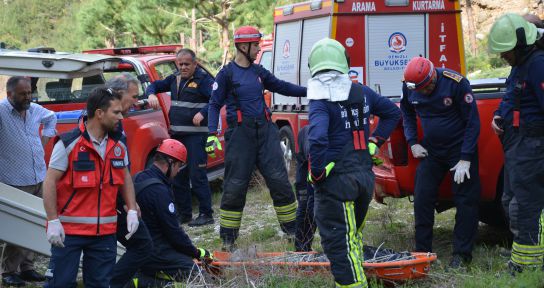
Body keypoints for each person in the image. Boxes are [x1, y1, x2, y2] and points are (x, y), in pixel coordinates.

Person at [307, 38, 400, 287]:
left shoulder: (320, 100)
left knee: (339, 246)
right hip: (363, 179)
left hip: (337, 184)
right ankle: (358, 275)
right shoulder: (362, 92)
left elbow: (316, 137)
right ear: (343, 64)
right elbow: (393, 112)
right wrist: (374, 141)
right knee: (352, 237)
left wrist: (316, 172)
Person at [208, 26, 307, 251]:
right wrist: (211, 134)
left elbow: (282, 86)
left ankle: (293, 232)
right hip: (240, 136)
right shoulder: (226, 74)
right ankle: (228, 240)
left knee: (280, 182)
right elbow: (213, 105)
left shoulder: (259, 72)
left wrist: (309, 90)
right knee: (235, 186)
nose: (258, 49)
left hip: (265, 133)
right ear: (243, 46)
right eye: (256, 45)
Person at [43, 87, 139, 287]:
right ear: (99, 113)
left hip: (104, 235)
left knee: (100, 284)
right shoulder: (68, 143)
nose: (121, 117)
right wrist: (52, 220)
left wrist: (131, 208)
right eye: (116, 112)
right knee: (61, 284)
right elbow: (50, 181)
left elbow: (125, 177)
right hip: (68, 233)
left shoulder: (119, 145)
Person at [400, 56, 481, 268]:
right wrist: (412, 142)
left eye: (426, 89)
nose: (423, 93)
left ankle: (462, 255)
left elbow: (473, 122)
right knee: (422, 198)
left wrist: (465, 158)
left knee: (466, 201)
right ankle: (422, 254)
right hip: (432, 151)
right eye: (419, 90)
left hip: (460, 149)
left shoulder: (455, 82)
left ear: (433, 78)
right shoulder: (410, 86)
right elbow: (407, 111)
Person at [488, 13, 544, 273]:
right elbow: (511, 97)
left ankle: (527, 265)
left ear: (521, 45)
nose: (503, 57)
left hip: (532, 146)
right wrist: (499, 115)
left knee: (525, 205)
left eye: (506, 51)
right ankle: (522, 250)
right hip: (517, 145)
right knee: (510, 200)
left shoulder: (537, 65)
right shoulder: (519, 65)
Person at [129, 139, 213, 287]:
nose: (178, 171)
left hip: (137, 248)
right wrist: (196, 253)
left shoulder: (139, 177)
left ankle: (141, 277)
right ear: (170, 163)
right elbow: (174, 233)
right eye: (179, 166)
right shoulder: (160, 192)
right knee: (198, 276)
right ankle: (145, 283)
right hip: (156, 251)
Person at [146, 48, 215, 227]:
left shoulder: (204, 80)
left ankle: (206, 214)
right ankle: (184, 215)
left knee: (197, 175)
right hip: (177, 136)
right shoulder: (174, 78)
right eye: (180, 64)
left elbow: (216, 100)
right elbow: (153, 85)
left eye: (187, 64)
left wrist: (203, 112)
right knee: (178, 176)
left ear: (195, 63)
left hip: (196, 137)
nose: (183, 67)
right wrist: (151, 94)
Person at [0, 76, 55, 287]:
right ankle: (8, 271)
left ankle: (28, 267)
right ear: (9, 94)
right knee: (18, 227)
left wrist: (45, 139)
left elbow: (51, 118)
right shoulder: (2, 112)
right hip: (14, 179)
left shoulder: (34, 109)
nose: (28, 97)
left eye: (30, 92)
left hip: (38, 175)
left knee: (38, 222)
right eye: (23, 94)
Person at [106, 74, 154, 288]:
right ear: (118, 94)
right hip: (109, 199)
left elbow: (122, 167)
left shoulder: (117, 122)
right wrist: (127, 202)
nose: (136, 102)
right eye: (133, 97)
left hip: (117, 197)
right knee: (142, 244)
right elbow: (111, 168)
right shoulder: (107, 125)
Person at [293, 125, 316, 252]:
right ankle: (301, 249)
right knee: (306, 207)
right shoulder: (312, 135)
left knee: (313, 209)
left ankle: (305, 247)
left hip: (312, 171)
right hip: (306, 174)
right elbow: (312, 155)